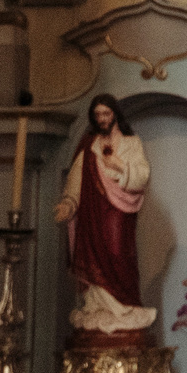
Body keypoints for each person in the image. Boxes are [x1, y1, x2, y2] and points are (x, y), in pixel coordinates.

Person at [54, 95, 158, 336]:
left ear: (115, 115)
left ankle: (123, 306)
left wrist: (119, 165)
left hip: (119, 214)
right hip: (92, 217)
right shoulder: (89, 147)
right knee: (94, 258)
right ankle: (99, 307)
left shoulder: (131, 144)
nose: (102, 119)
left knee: (118, 254)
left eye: (106, 114)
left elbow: (142, 175)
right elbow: (76, 181)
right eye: (98, 115)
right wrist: (68, 204)